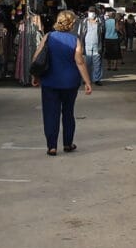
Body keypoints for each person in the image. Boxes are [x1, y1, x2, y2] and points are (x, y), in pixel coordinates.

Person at [30, 10, 93, 155]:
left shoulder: (48, 37)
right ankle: (68, 144)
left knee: (50, 113)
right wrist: (87, 82)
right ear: (72, 24)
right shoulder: (75, 40)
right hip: (70, 83)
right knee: (68, 112)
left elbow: (37, 57)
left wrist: (35, 75)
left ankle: (52, 146)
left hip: (50, 82)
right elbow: (80, 62)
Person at [78, 6, 104, 86]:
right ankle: (86, 79)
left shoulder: (100, 22)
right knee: (86, 63)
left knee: (97, 63)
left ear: (96, 13)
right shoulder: (84, 22)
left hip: (97, 45)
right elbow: (80, 33)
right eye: (90, 11)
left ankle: (97, 79)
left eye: (93, 12)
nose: (91, 13)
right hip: (86, 45)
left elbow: (102, 33)